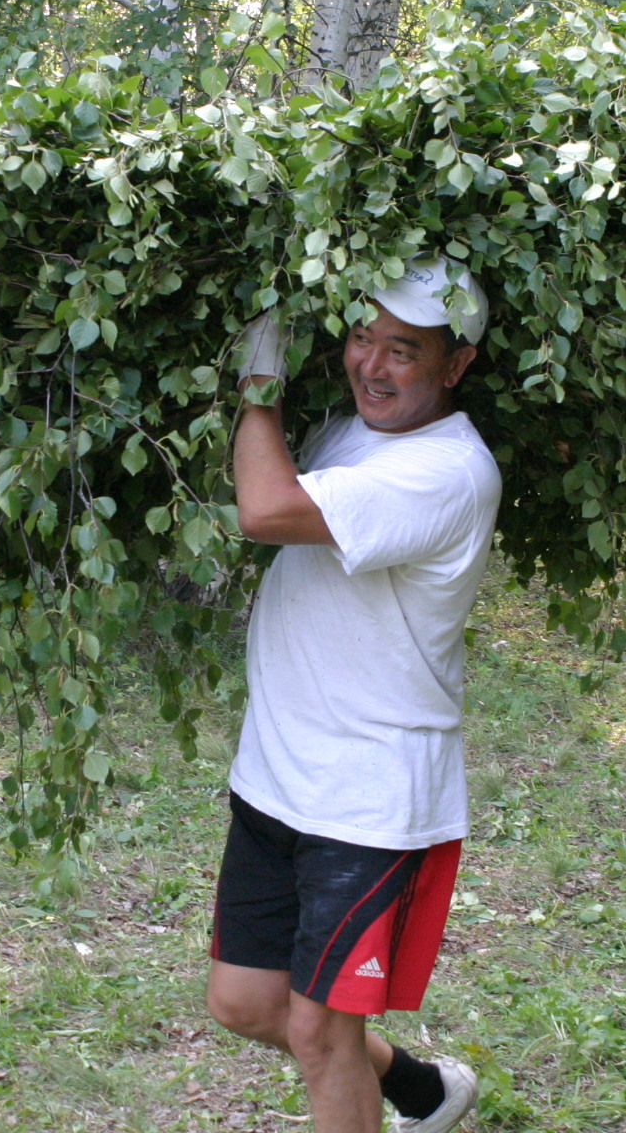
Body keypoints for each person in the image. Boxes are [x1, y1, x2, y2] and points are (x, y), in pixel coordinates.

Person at [206, 258, 502, 1133]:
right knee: (247, 1002)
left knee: (320, 1029)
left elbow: (265, 508)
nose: (372, 365)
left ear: (456, 366)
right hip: (278, 773)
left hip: (366, 800)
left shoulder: (448, 471)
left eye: (403, 351)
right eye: (361, 337)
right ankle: (424, 1091)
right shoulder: (353, 430)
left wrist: (257, 386)